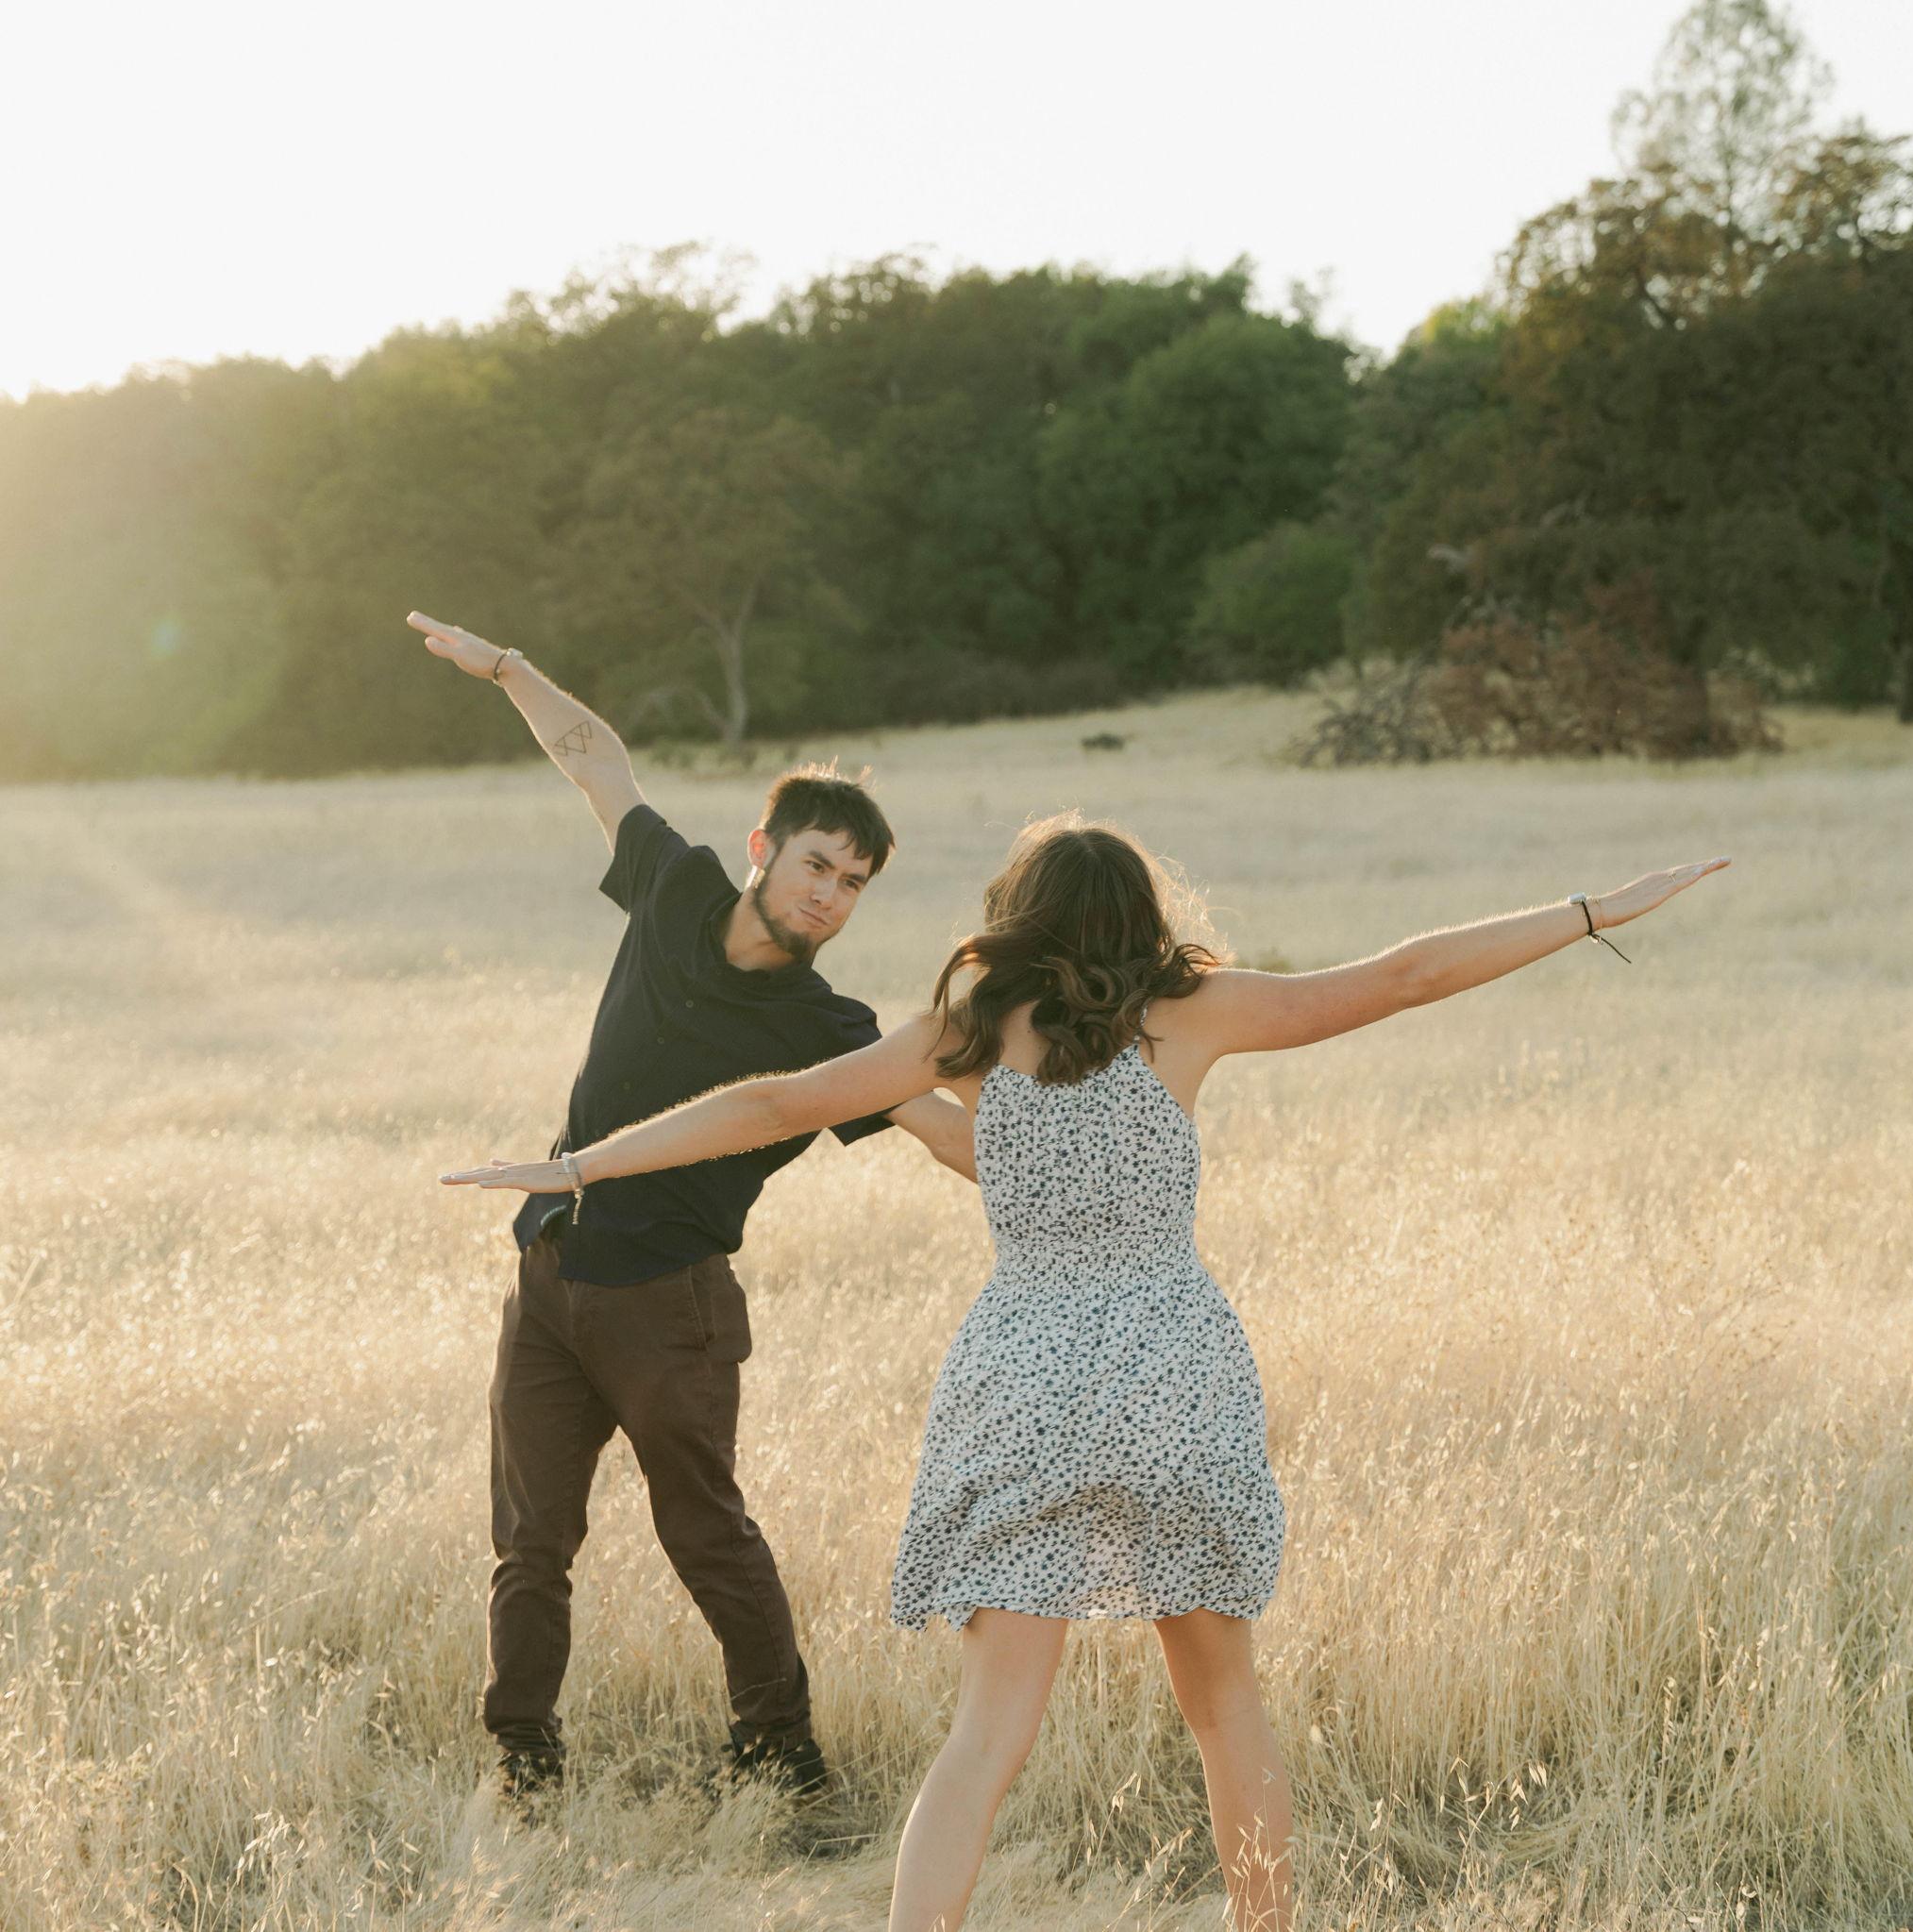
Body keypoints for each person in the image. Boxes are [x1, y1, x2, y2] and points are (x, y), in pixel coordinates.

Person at [442, 812, 1728, 1930]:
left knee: (984, 1734)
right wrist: (1591, 909)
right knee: (1227, 1708)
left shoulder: (974, 1028)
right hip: (1171, 1361)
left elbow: (776, 1099)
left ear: (1022, 920)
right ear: (1143, 919)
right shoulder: (1196, 1013)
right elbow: (1401, 974)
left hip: (1026, 1371)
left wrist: (580, 1164)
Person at [407, 612, 978, 1806]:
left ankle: (786, 1761)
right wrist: (504, 668)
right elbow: (594, 758)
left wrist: (1079, 1168)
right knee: (529, 1546)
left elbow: (939, 1133)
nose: (830, 896)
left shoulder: (828, 1028)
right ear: (764, 847)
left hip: (671, 1310)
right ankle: (523, 1759)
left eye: (855, 885)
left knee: (708, 1540)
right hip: (552, 1276)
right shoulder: (673, 887)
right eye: (817, 864)